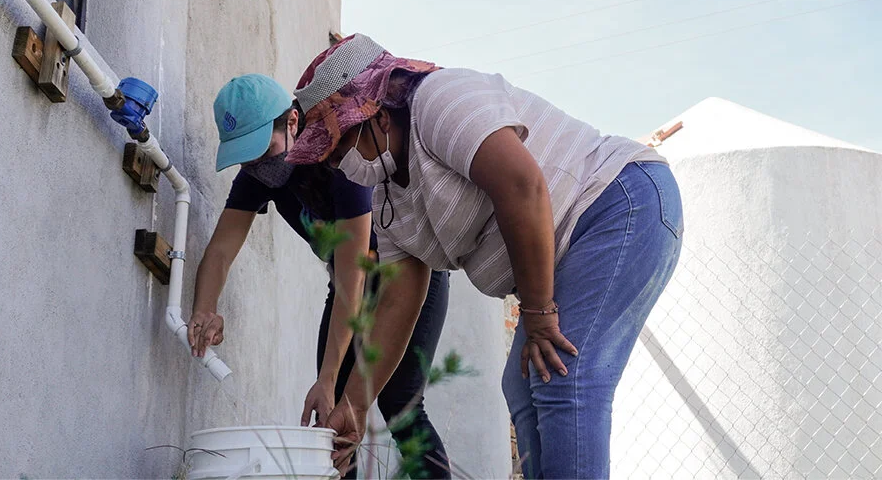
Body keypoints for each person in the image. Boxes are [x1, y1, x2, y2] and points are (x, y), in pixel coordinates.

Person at [286, 35, 684, 479]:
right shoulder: (387, 199)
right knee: (522, 384)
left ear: (376, 116)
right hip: (573, 246)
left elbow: (521, 185)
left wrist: (536, 312)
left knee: (562, 378)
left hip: (618, 203)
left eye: (339, 146)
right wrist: (355, 407)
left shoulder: (439, 99)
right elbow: (400, 297)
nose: (338, 163)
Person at [187, 74, 451, 478]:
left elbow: (354, 272)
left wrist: (329, 377)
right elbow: (221, 249)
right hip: (346, 283)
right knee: (331, 417)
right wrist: (205, 309)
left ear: (293, 121)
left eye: (262, 149)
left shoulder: (337, 155)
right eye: (246, 156)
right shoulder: (260, 175)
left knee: (398, 400)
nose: (256, 163)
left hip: (406, 275)